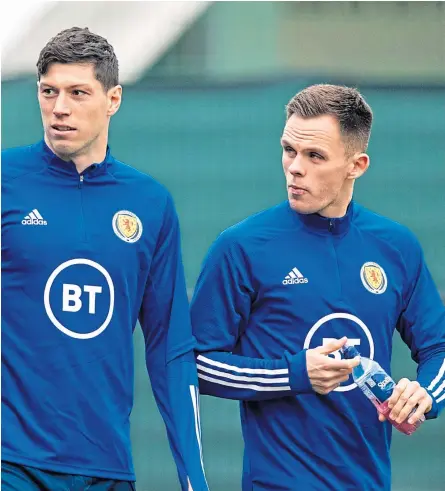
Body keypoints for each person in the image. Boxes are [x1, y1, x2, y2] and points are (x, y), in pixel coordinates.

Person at [190, 84, 445, 490]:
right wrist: (293, 373)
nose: (294, 167)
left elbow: (439, 346)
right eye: (289, 150)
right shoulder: (241, 247)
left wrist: (425, 395)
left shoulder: (396, 246)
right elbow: (194, 365)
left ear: (356, 165)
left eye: (315, 156)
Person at [1, 27, 208, 491]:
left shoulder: (150, 203)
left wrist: (194, 477)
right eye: (48, 92)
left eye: (78, 93)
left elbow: (170, 350)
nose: (59, 108)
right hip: (11, 463)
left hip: (107, 471)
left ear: (113, 99)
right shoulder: (5, 180)